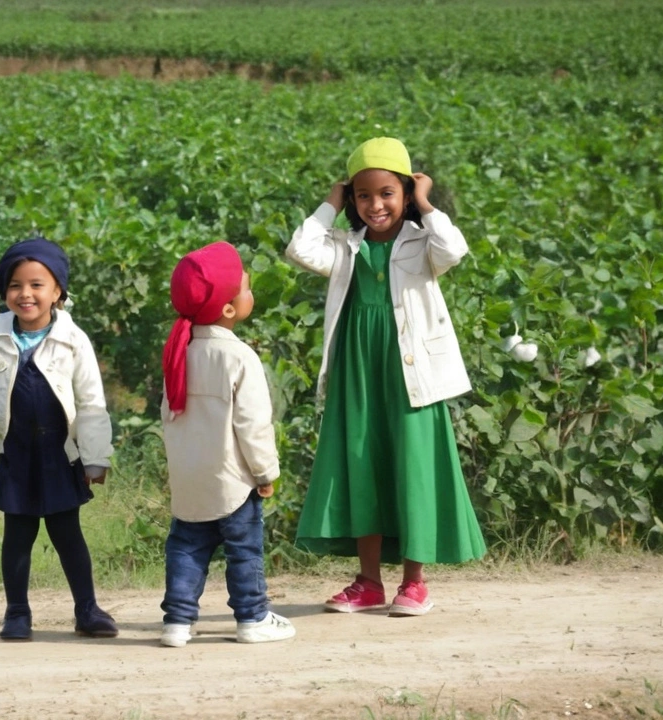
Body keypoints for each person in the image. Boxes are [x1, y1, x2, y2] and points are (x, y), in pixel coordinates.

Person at [285, 137, 487, 617]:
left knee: (411, 467)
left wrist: (425, 201)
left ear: (406, 193)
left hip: (411, 375)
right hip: (358, 373)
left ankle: (414, 583)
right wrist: (329, 203)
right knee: (363, 467)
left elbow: (454, 248)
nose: (375, 205)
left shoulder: (422, 243)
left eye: (388, 193)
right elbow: (299, 248)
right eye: (362, 195)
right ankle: (368, 582)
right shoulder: (343, 246)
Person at [0, 237, 118, 641]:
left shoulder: (72, 340)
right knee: (18, 533)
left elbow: (91, 403)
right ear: (4, 292)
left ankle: (87, 610)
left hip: (58, 453)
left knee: (68, 533)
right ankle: (17, 613)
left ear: (58, 292)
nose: (25, 294)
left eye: (36, 285)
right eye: (15, 285)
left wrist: (95, 457)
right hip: (15, 453)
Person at [158, 241, 296, 648]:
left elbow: (169, 419)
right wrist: (266, 472)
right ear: (230, 309)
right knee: (244, 549)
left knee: (186, 547)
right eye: (247, 288)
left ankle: (177, 623)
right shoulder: (239, 357)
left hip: (190, 481)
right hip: (234, 481)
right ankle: (252, 617)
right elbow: (253, 425)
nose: (251, 293)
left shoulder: (177, 354)